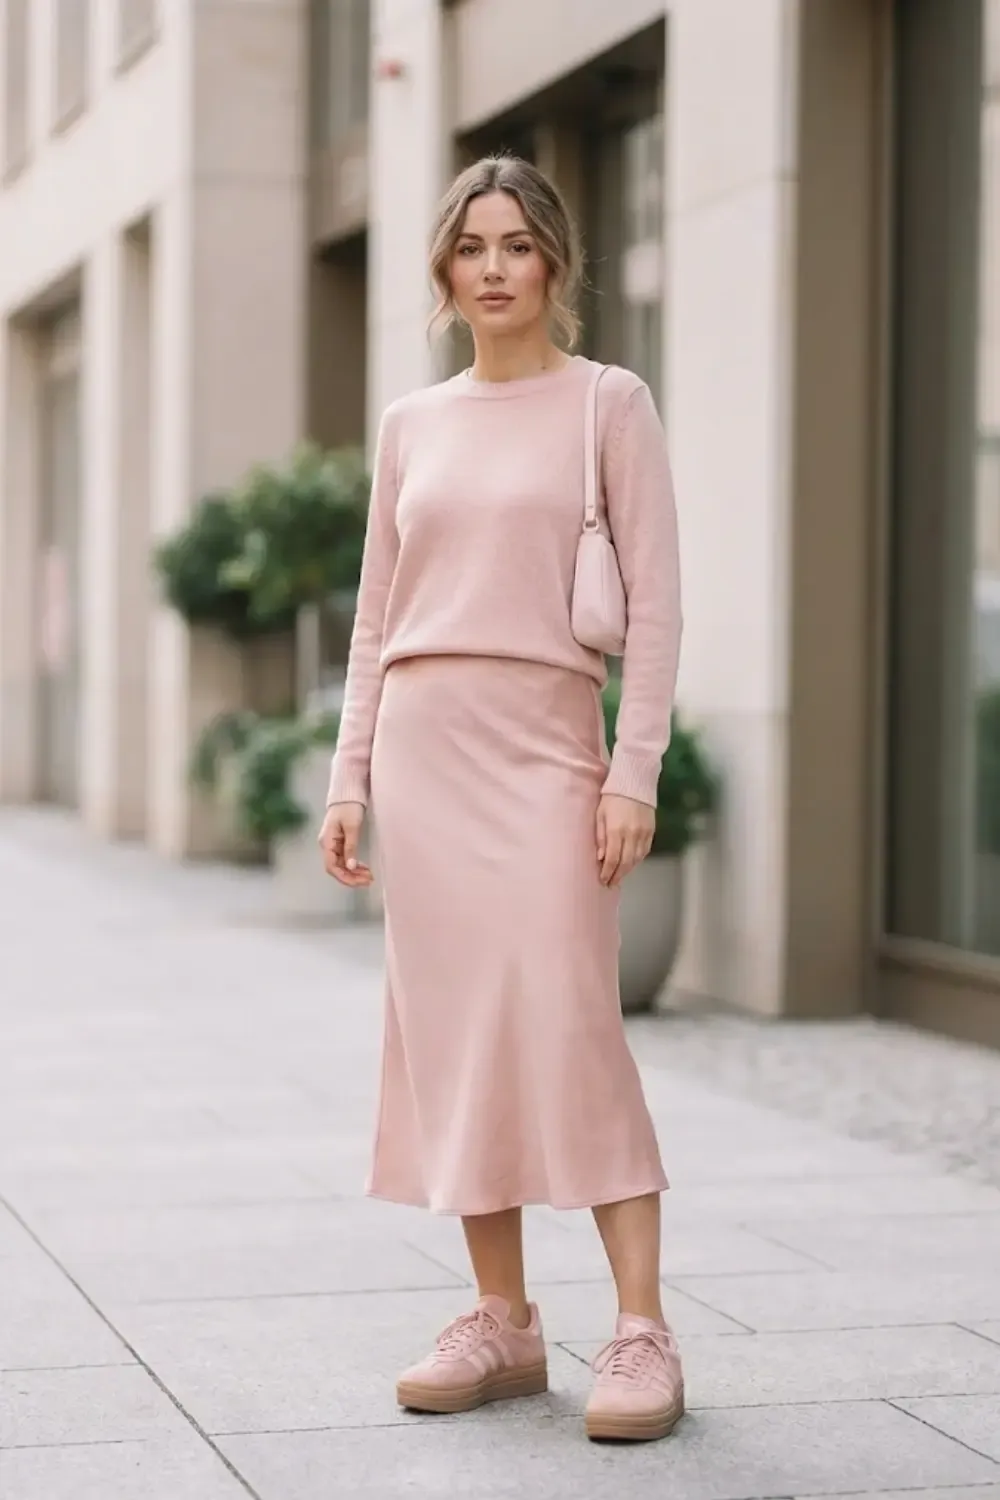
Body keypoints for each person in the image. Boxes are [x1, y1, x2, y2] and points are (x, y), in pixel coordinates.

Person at [318, 154, 684, 1443]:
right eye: (470, 246)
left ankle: (640, 1328)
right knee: (457, 1032)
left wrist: (632, 768)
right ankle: (506, 1320)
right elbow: (374, 616)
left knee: (573, 1024)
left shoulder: (609, 405)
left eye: (517, 245)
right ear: (443, 268)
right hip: (426, 746)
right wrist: (349, 772)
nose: (491, 267)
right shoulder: (414, 425)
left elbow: (656, 608)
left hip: (545, 747)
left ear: (556, 264)